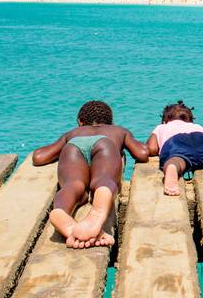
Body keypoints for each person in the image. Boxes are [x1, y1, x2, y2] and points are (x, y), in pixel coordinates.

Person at [32, 101, 149, 248]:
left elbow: (39, 157)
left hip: (74, 146)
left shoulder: (71, 133)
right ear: (110, 122)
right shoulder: (118, 130)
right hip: (105, 144)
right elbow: (142, 153)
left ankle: (60, 211)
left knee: (73, 185)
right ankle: (98, 210)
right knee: (103, 179)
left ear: (80, 122)